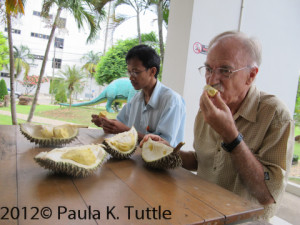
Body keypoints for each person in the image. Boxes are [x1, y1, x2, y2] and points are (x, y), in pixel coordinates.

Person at [140, 31, 294, 220]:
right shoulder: (208, 108)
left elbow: (267, 194)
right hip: (200, 210)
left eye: (225, 71)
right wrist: (168, 150)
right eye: (208, 69)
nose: (212, 80)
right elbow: (201, 160)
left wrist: (231, 136)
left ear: (251, 76)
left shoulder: (275, 115)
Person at [91, 44, 186, 146]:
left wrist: (127, 131)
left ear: (152, 71)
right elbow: (120, 123)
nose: (131, 78)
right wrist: (106, 123)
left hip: (162, 161)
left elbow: (164, 145)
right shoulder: (136, 99)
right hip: (137, 158)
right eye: (129, 72)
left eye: (135, 72)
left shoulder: (172, 101)